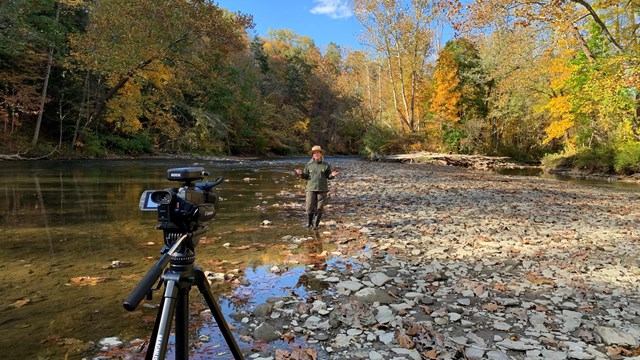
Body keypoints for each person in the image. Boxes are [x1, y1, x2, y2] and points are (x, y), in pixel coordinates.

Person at [295, 145, 339, 230]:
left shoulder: (326, 165)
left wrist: (332, 175)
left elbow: (328, 176)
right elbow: (305, 176)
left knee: (319, 208)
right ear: (312, 155)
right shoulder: (309, 165)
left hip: (322, 189)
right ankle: (309, 223)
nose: (316, 154)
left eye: (317, 153)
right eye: (314, 153)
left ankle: (316, 225)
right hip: (310, 189)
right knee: (309, 207)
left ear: (321, 154)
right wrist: (300, 173)